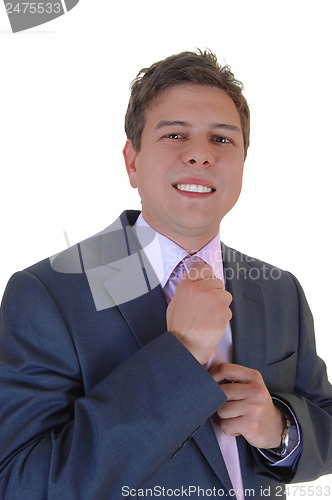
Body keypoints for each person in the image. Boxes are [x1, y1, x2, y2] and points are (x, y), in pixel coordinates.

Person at [0, 50, 331, 500]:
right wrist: (179, 357)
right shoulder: (47, 295)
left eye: (222, 139)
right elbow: (22, 483)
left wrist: (281, 429)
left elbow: (324, 422)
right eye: (175, 134)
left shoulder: (279, 291)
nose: (199, 155)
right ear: (132, 161)